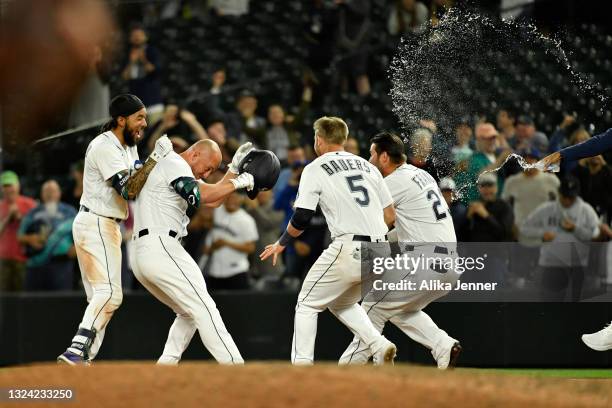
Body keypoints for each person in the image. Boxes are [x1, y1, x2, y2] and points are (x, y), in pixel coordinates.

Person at [260, 116, 398, 365]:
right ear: (343, 139)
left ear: (319, 140)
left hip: (350, 246)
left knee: (306, 304)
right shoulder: (367, 167)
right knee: (341, 302)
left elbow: (302, 217)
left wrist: (281, 242)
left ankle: (301, 366)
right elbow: (390, 215)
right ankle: (379, 344)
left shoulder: (315, 167)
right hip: (381, 249)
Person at [57, 94, 173, 365]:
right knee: (110, 294)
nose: (144, 123)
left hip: (104, 224)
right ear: (121, 120)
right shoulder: (104, 146)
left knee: (100, 300)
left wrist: (156, 158)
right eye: (139, 117)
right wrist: (155, 157)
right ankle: (76, 351)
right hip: (97, 222)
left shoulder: (127, 146)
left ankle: (81, 362)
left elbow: (137, 178)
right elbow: (129, 189)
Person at [339, 132, 461, 369]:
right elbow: (407, 226)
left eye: (372, 153)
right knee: (397, 309)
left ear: (384, 157)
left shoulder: (392, 182)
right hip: (448, 264)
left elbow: (368, 219)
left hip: (425, 261)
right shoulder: (421, 175)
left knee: (373, 304)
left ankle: (351, 366)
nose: (370, 159)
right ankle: (443, 345)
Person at [130, 139, 255, 365]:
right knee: (204, 306)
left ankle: (165, 366)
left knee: (188, 312)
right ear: (195, 153)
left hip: (146, 251)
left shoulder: (173, 167)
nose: (207, 174)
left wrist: (233, 170)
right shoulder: (175, 162)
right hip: (161, 246)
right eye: (207, 167)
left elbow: (213, 199)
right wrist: (237, 184)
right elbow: (200, 196)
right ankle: (235, 366)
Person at [520, 176, 599, 302]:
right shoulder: (547, 209)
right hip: (551, 263)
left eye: (571, 197)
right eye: (564, 196)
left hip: (577, 265)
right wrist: (542, 233)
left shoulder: (586, 210)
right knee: (550, 303)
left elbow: (595, 235)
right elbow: (524, 227)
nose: (567, 200)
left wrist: (575, 229)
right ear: (559, 193)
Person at [18, 180, 77, 291]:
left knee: (61, 303)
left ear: (59, 193)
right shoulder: (32, 213)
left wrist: (77, 248)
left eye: (53, 191)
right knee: (33, 303)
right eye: (47, 191)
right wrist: (30, 239)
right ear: (41, 194)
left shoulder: (70, 212)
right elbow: (20, 235)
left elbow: (83, 234)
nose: (50, 194)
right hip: (35, 266)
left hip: (61, 265)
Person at [203, 190, 258, 290]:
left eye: (235, 198)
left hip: (237, 272)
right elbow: (204, 220)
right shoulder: (216, 212)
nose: (231, 201)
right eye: (229, 197)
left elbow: (250, 248)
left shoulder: (246, 220)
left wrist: (226, 243)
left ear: (241, 200)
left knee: (237, 304)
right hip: (214, 271)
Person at [0, 171, 36, 292]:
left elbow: (37, 228)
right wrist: (8, 218)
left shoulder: (30, 204)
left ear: (18, 186)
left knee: (23, 296)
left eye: (11, 185)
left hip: (24, 259)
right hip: (3, 260)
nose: (8, 189)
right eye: (5, 186)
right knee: (4, 298)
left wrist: (20, 218)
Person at [121, 24, 163, 113]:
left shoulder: (152, 51)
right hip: (135, 102)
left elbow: (154, 70)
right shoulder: (127, 54)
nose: (137, 38)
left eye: (139, 35)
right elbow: (124, 76)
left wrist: (143, 59)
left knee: (156, 125)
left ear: (146, 37)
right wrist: (131, 62)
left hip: (153, 100)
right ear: (130, 38)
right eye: (134, 36)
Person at [439, 177, 468, 241]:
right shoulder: (436, 209)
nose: (447, 194)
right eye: (444, 191)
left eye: (449, 191)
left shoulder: (461, 210)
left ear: (454, 193)